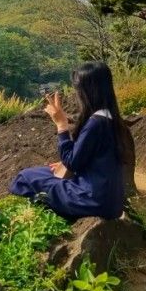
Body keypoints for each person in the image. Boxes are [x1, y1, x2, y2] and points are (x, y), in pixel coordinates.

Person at [9, 61, 129, 220]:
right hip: (111, 201)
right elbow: (87, 158)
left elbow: (72, 162)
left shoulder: (96, 124)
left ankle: (46, 212)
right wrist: (64, 163)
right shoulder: (111, 119)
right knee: (42, 173)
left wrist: (61, 124)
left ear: (87, 91)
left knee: (24, 177)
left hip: (92, 200)